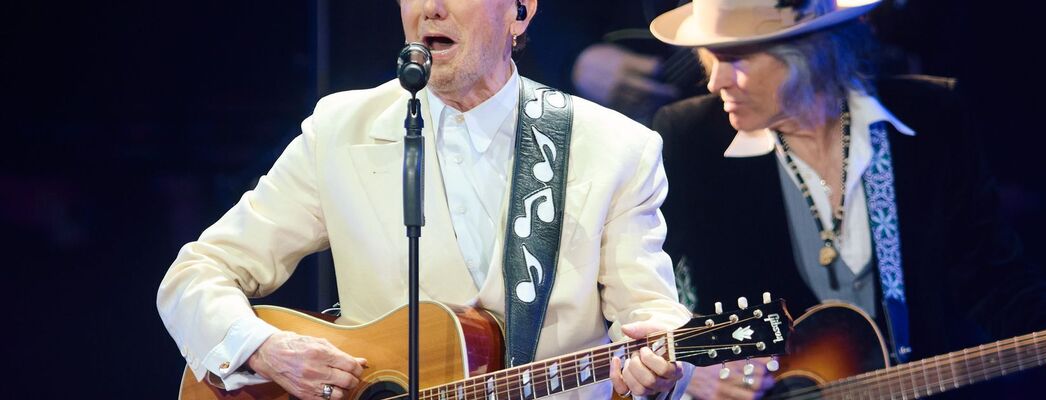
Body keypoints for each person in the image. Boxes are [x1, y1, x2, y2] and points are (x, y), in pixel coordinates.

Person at [157, 1, 692, 399]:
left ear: (520, 12)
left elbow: (649, 313)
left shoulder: (614, 148)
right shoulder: (340, 132)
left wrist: (659, 363)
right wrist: (264, 350)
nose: (429, 9)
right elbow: (197, 273)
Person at [647, 0, 1046, 398]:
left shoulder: (932, 116)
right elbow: (643, 295)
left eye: (736, 58)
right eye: (711, 58)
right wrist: (693, 368)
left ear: (812, 51)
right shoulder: (690, 139)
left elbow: (992, 275)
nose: (715, 81)